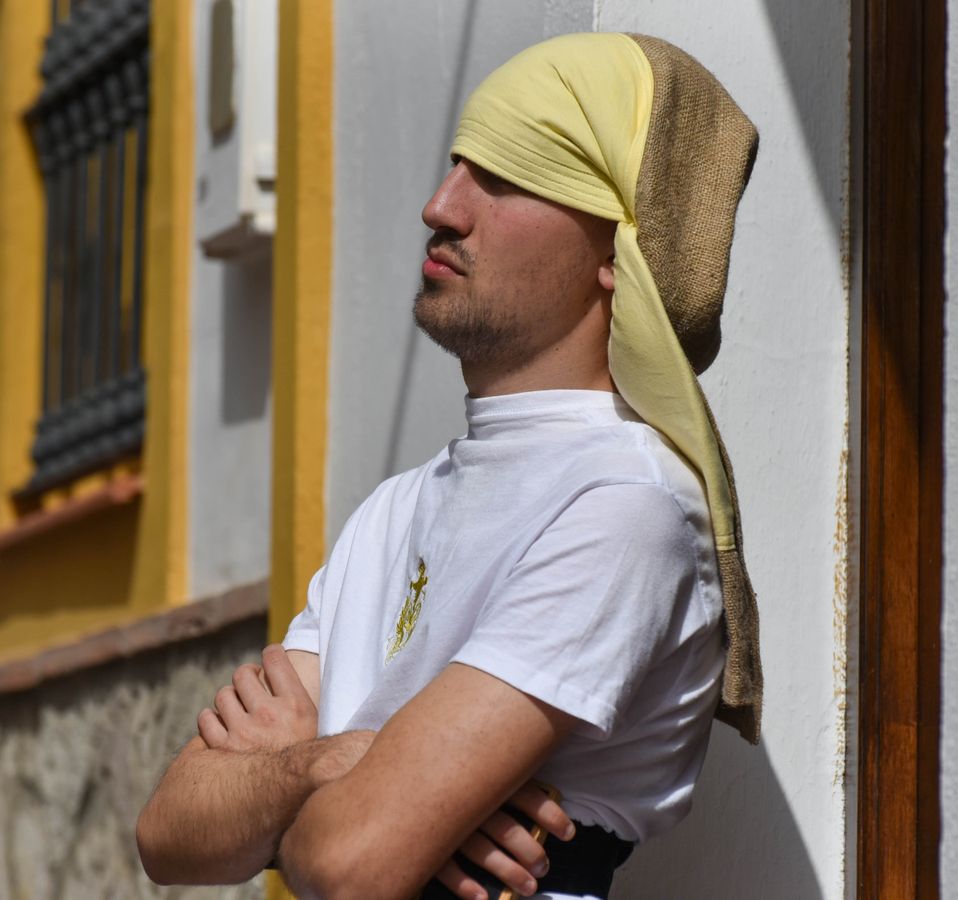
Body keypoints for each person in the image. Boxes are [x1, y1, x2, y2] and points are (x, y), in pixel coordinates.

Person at [136, 32, 762, 899]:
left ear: (620, 254)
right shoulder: (395, 507)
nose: (441, 205)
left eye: (507, 177)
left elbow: (348, 864)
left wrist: (300, 782)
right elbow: (168, 834)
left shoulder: (624, 508)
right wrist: (334, 764)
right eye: (458, 164)